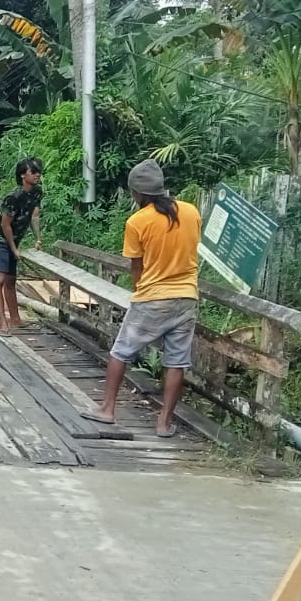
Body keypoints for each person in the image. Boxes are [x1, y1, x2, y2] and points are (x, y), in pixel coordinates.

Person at [83, 160, 202, 437]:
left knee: (121, 351)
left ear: (137, 193)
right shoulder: (191, 211)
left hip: (153, 297)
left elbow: (136, 267)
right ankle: (163, 423)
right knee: (176, 361)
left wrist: (139, 291)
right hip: (186, 296)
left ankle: (107, 409)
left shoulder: (137, 221)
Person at [0, 158, 43, 336]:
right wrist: (14, 248)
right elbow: (5, 225)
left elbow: (34, 216)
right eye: (32, 172)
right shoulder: (13, 197)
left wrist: (37, 238)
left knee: (11, 281)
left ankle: (16, 319)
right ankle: (3, 323)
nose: (37, 175)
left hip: (13, 241)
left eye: (38, 172)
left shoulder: (37, 193)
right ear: (22, 175)